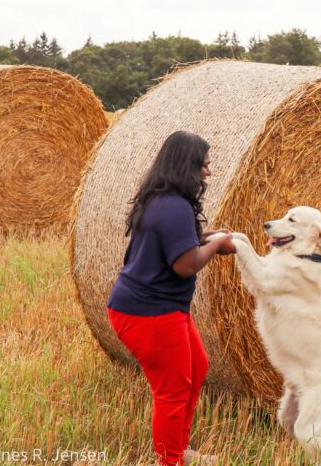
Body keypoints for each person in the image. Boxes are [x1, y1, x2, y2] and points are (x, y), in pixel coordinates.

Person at [107, 130, 235, 466]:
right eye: (204, 165)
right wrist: (217, 245)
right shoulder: (174, 206)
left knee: (197, 366)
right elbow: (186, 264)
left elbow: (180, 242)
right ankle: (170, 460)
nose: (208, 172)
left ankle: (178, 449)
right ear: (187, 164)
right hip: (149, 313)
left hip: (156, 308)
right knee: (173, 389)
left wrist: (210, 236)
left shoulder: (161, 200)